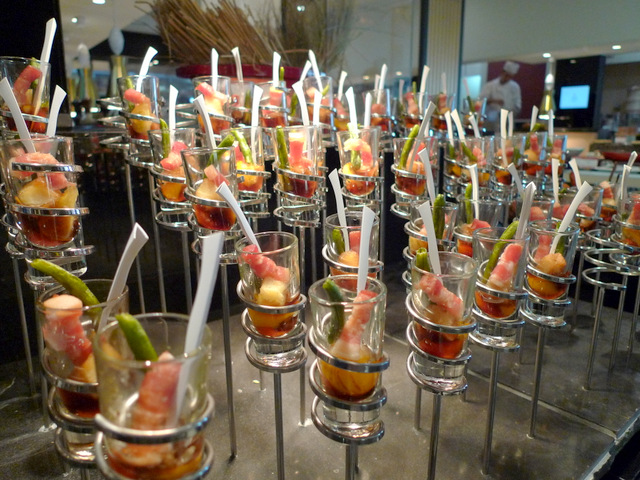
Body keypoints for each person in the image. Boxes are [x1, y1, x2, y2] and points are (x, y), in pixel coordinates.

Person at [480, 61, 522, 134]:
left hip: (507, 122)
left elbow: (517, 105)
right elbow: (481, 101)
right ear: (502, 72)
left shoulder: (515, 87)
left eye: (509, 76)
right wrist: (494, 101)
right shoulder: (490, 85)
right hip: (490, 122)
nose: (506, 78)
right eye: (506, 75)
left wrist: (510, 113)